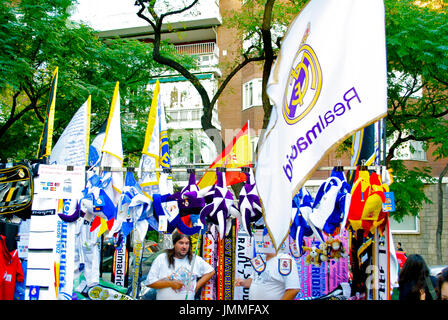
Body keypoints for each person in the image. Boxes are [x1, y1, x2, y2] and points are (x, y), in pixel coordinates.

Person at [144, 232, 215, 300]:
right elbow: (150, 282)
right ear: (174, 244)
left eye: (187, 243)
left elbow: (211, 271)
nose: (184, 246)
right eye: (181, 243)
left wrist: (196, 286)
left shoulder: (195, 259)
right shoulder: (162, 258)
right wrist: (171, 284)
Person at [235, 251, 300, 300]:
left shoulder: (284, 259)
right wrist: (243, 282)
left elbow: (293, 289)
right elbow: (255, 280)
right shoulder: (260, 259)